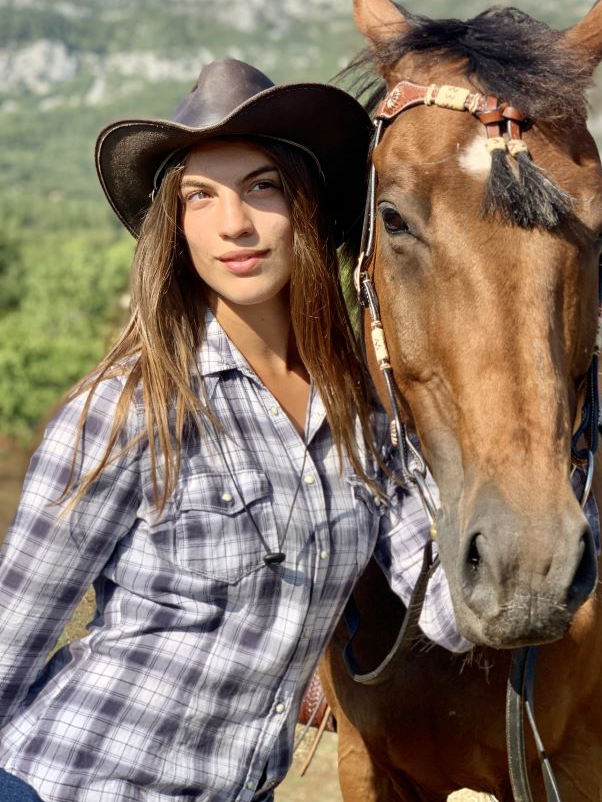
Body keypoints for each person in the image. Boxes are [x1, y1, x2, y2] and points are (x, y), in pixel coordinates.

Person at [0, 59, 466, 802]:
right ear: (176, 226)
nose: (234, 224)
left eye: (262, 186)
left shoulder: (363, 424)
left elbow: (452, 609)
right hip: (72, 780)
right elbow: (8, 639)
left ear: (305, 206)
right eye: (200, 196)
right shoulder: (125, 410)